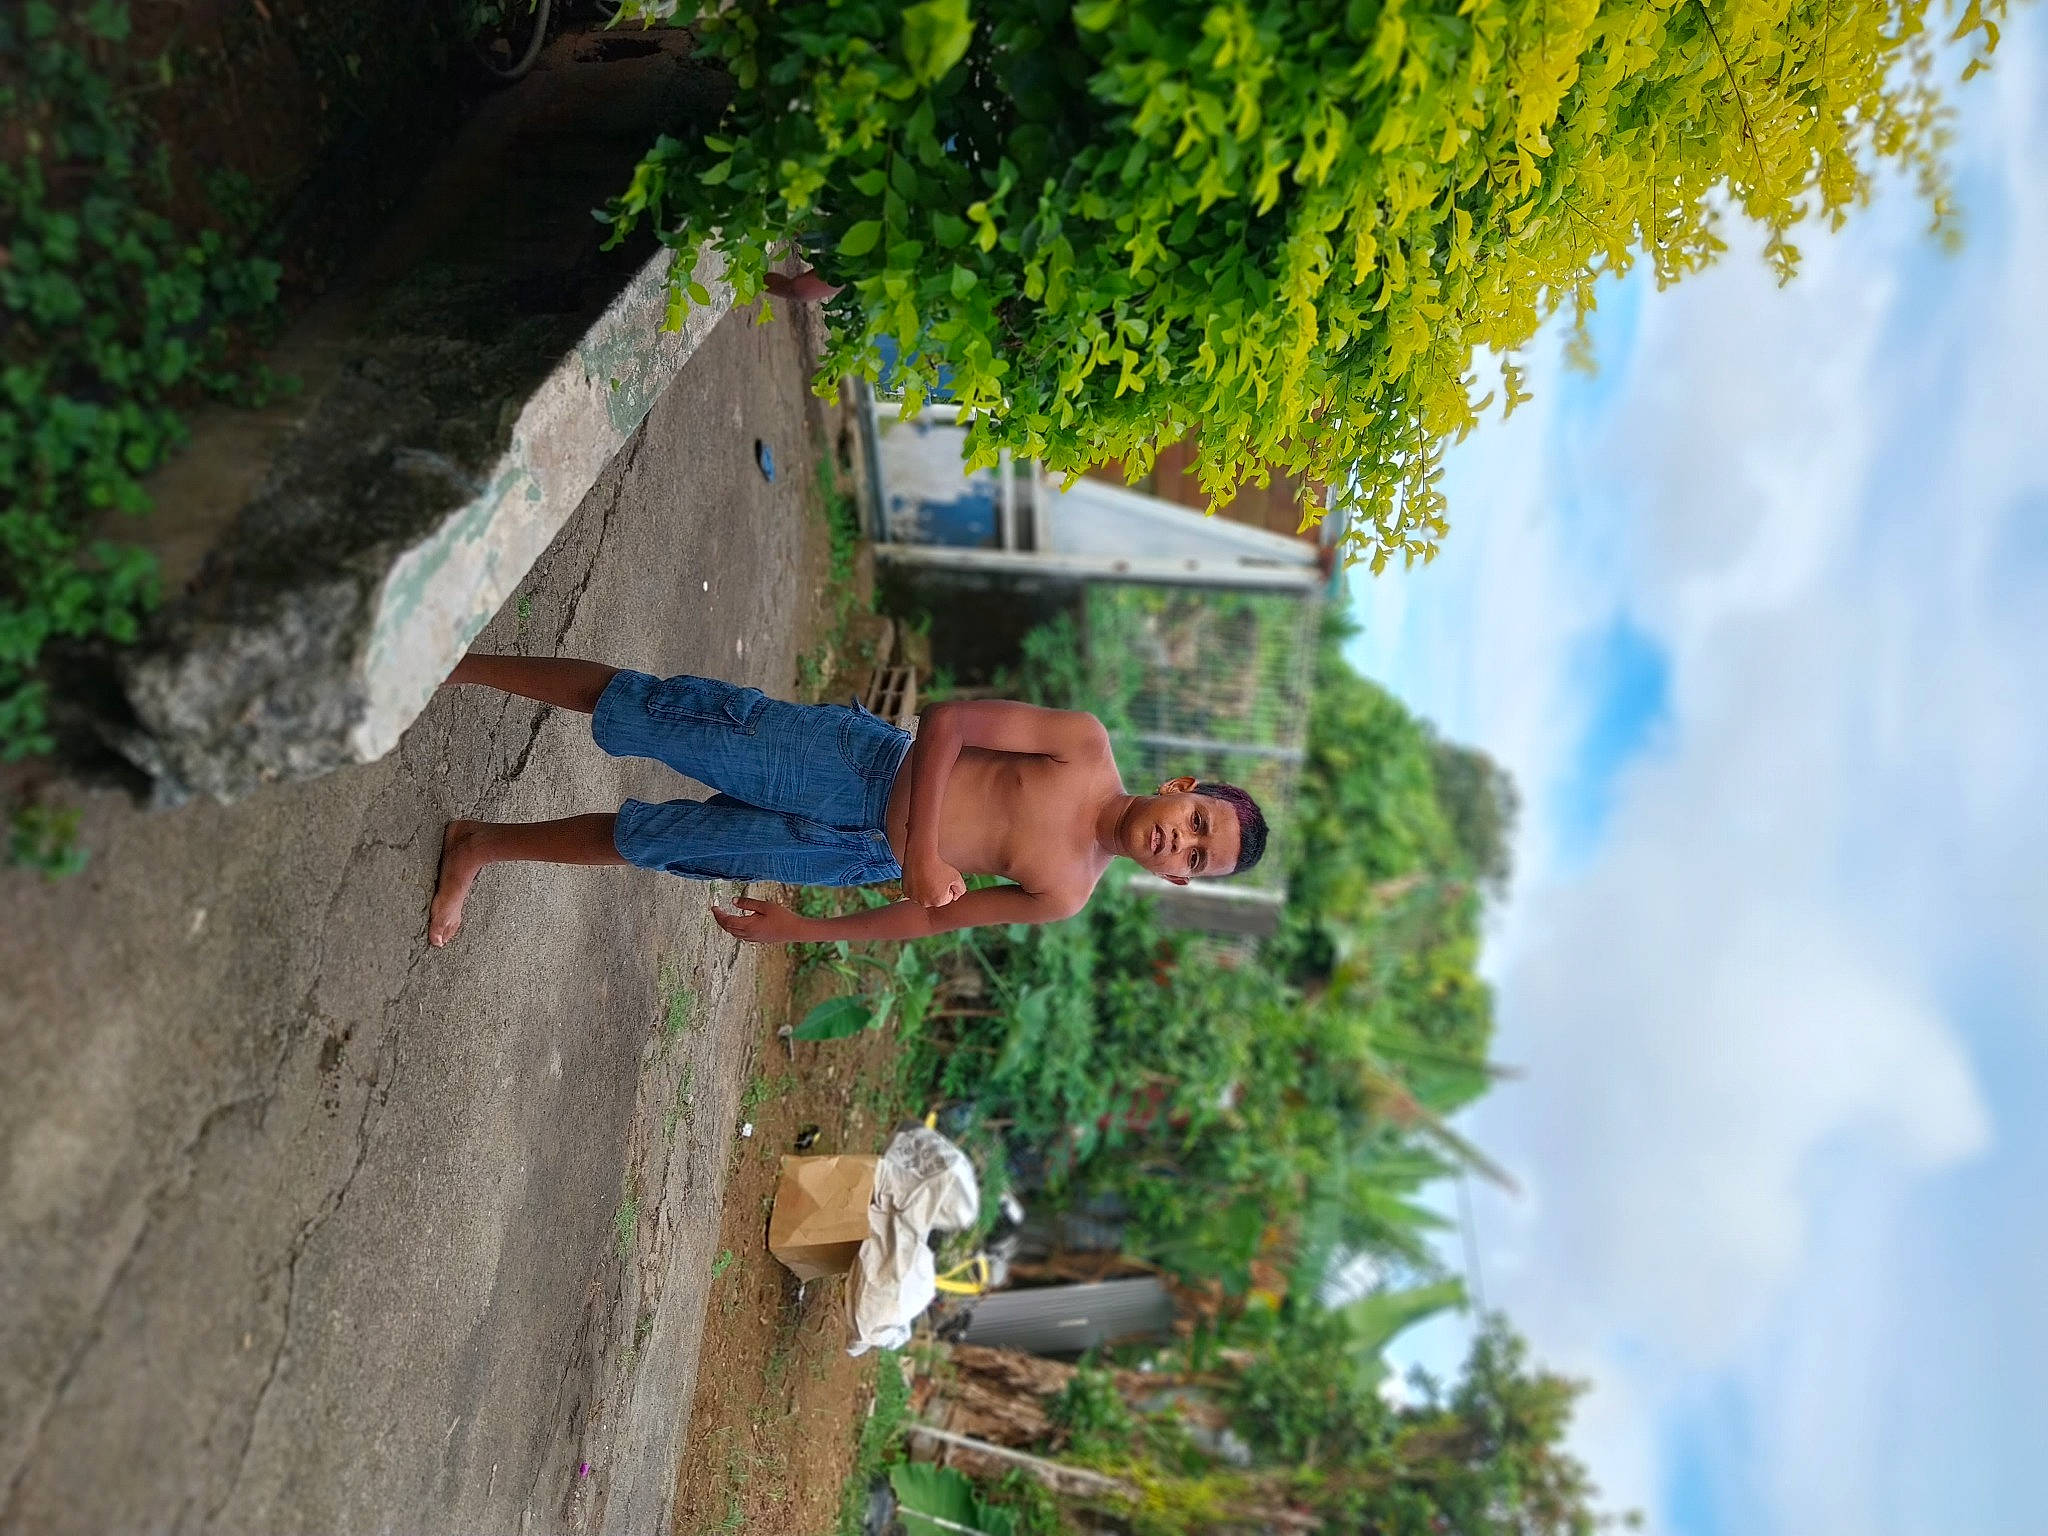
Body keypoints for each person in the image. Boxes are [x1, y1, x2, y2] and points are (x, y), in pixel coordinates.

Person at [426, 656, 1268, 948]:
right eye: (1198, 823)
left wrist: (807, 929)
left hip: (852, 853)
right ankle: (458, 665)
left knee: (660, 840)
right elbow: (946, 722)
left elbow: (935, 919)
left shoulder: (1066, 893)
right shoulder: (1082, 748)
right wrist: (928, 853)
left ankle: (482, 845)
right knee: (661, 712)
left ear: (1180, 884)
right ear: (1181, 789)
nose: (1179, 843)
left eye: (1196, 859)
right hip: (852, 765)